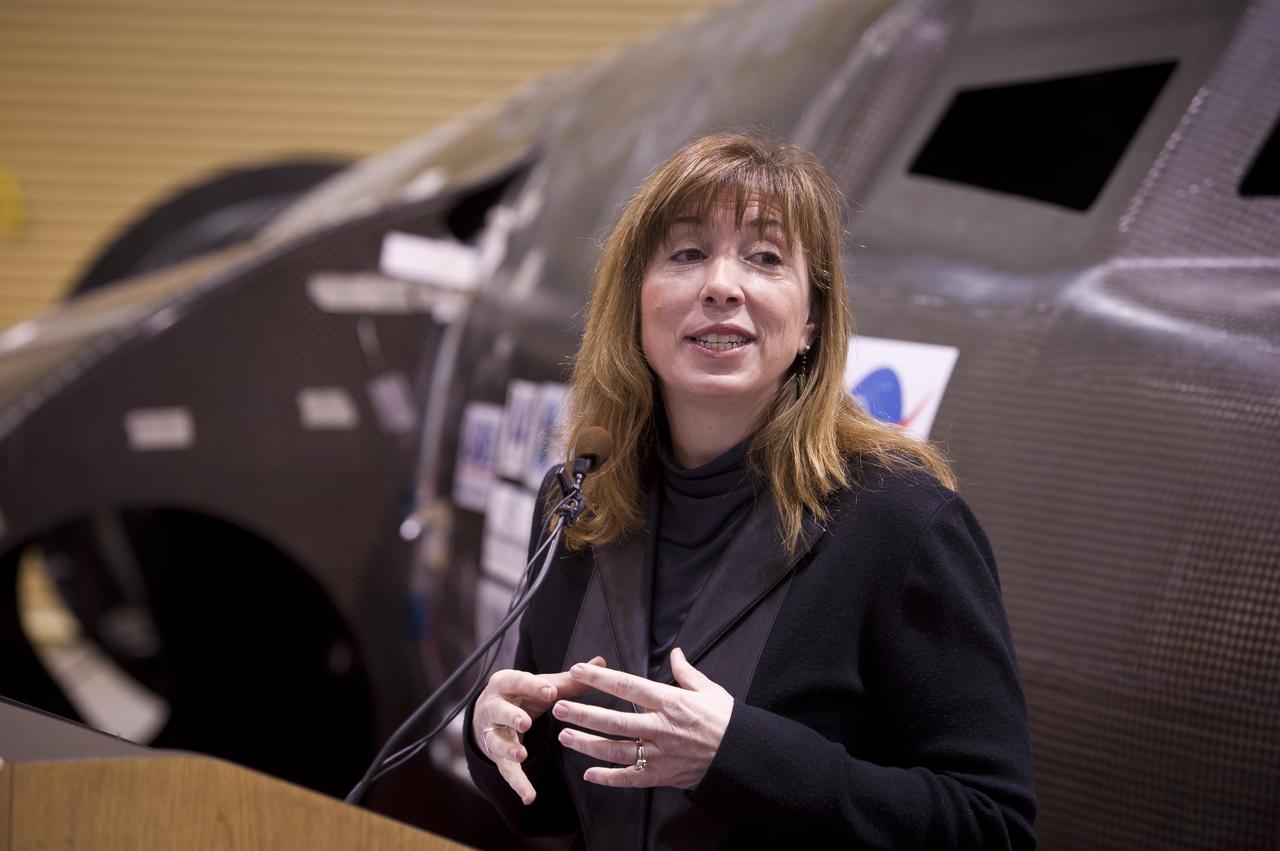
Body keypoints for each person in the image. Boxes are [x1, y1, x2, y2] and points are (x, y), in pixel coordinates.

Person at [465, 132, 1037, 849]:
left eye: (765, 258)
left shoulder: (902, 519)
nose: (721, 285)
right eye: (687, 253)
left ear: (811, 320)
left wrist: (733, 755)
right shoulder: (579, 498)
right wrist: (495, 736)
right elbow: (549, 811)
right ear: (636, 300)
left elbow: (992, 828)